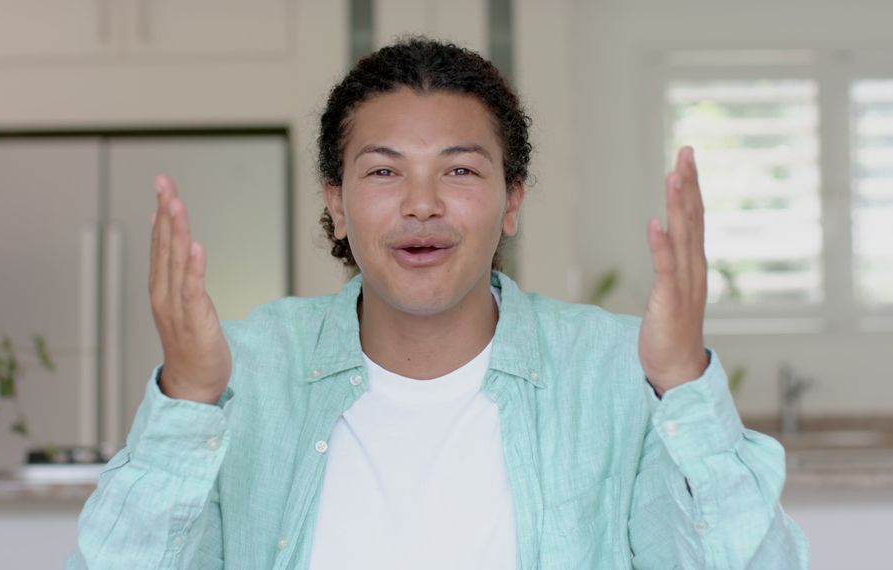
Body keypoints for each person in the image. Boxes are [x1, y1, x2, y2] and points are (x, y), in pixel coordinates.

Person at [66, 37, 809, 569]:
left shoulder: (615, 372)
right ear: (336, 204)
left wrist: (683, 383)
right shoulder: (244, 372)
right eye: (384, 171)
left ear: (512, 201)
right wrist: (189, 400)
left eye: (459, 170)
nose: (422, 205)